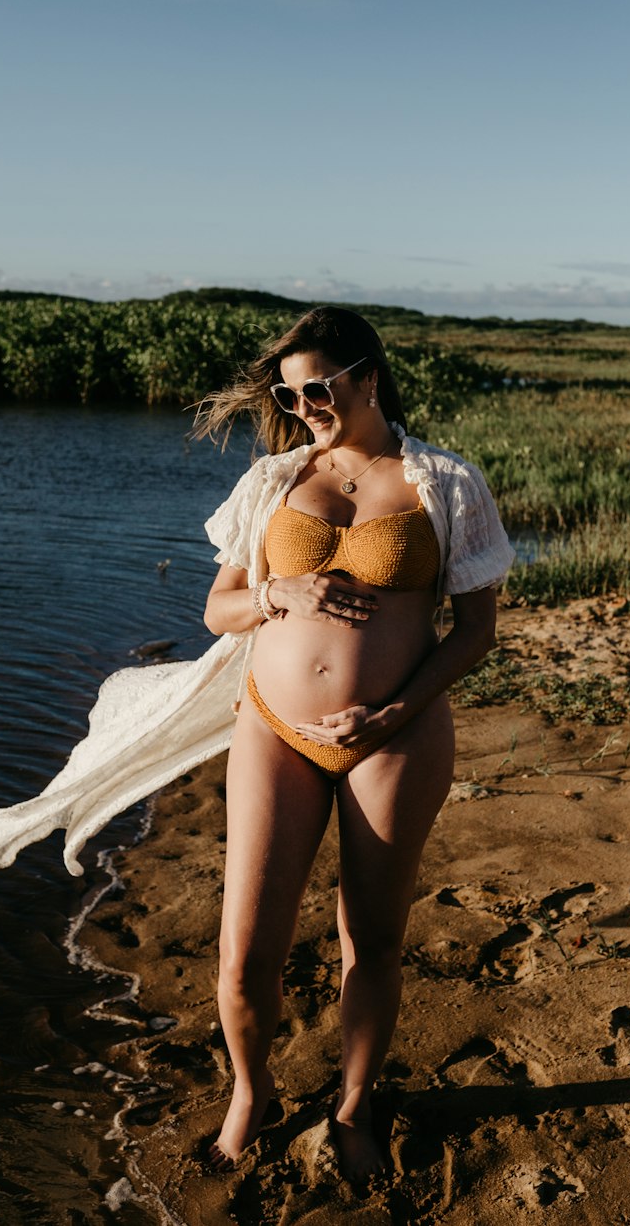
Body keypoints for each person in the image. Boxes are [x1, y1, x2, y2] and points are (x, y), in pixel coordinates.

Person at [193, 305, 514, 1182]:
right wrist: (275, 593)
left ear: (368, 376)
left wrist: (392, 712)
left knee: (369, 940)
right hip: (274, 725)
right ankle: (250, 1095)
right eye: (292, 395)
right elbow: (218, 608)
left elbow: (476, 629)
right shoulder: (273, 482)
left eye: (320, 388)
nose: (305, 407)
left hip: (394, 735)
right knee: (245, 949)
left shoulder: (443, 481)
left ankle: (352, 1107)